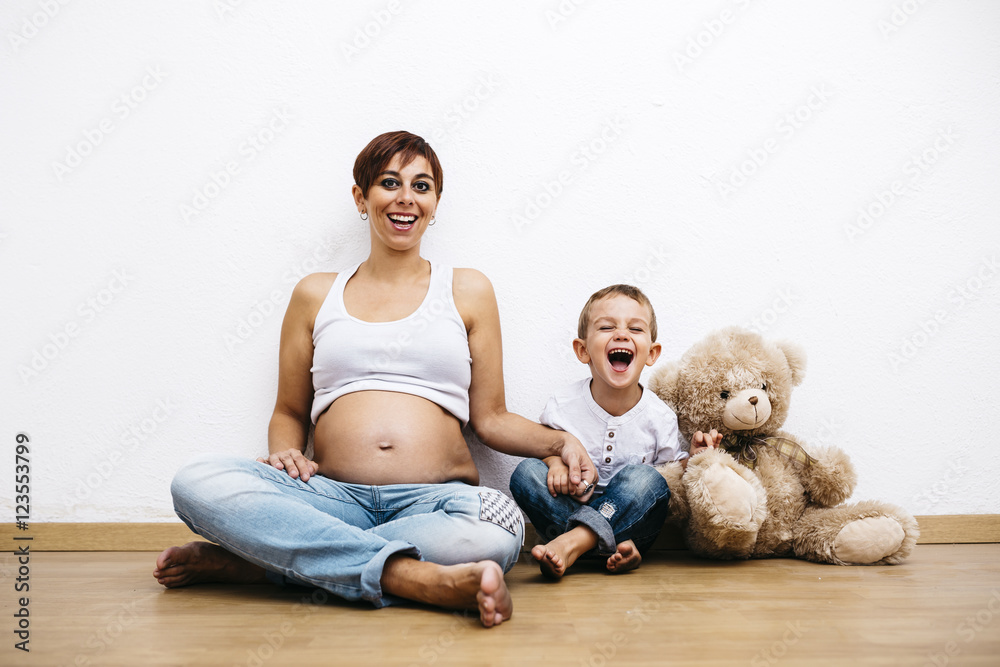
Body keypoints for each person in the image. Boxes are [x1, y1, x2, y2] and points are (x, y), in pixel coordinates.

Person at [153, 131, 596, 628]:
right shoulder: (315, 294)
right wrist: (286, 453)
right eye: (389, 183)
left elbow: (490, 418)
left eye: (421, 186)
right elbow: (290, 411)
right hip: (331, 499)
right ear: (361, 198)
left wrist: (559, 442)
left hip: (437, 503)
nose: (406, 197)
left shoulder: (468, 290)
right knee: (196, 481)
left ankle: (265, 565)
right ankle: (416, 578)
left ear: (435, 203)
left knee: (497, 529)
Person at [509, 285, 722, 578]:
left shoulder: (659, 416)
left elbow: (668, 479)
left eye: (635, 329)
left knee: (647, 479)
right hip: (598, 525)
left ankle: (572, 544)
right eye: (607, 327)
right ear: (583, 350)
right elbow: (547, 446)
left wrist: (695, 458)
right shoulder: (563, 404)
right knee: (526, 473)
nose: (621, 334)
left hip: (634, 525)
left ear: (652, 353)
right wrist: (554, 463)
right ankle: (599, 547)